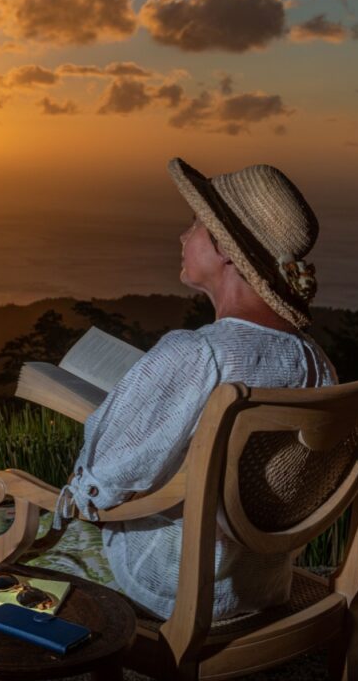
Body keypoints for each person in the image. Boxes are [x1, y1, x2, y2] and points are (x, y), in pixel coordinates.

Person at [22, 157, 337, 621]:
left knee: (6, 522)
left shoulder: (199, 354)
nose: (183, 237)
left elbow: (100, 486)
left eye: (194, 226)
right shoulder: (314, 361)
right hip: (261, 583)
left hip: (170, 584)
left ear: (226, 251)